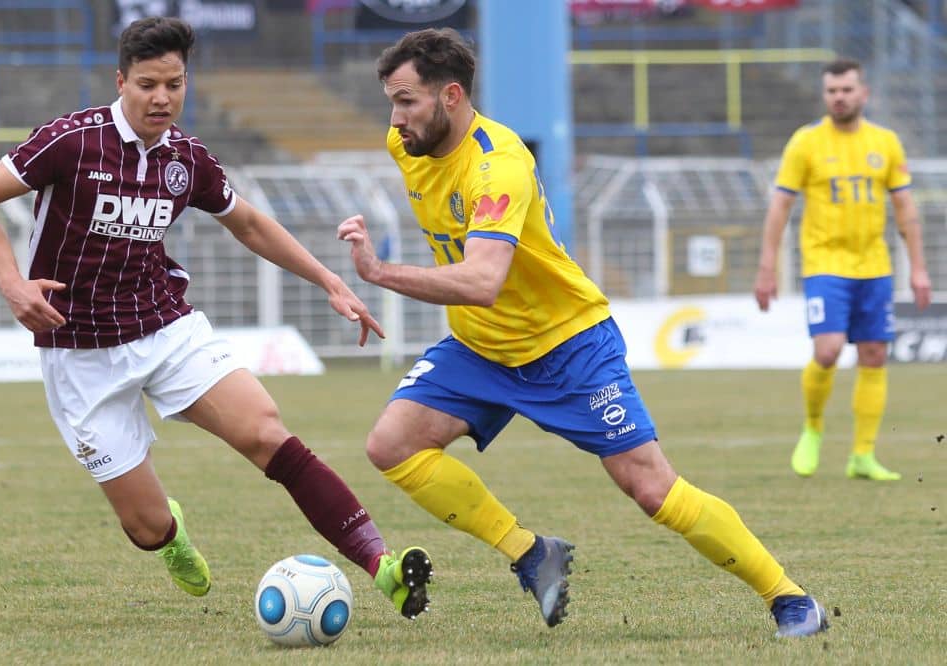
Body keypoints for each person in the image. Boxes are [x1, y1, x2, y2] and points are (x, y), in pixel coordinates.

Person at [336, 27, 827, 637]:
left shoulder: (500, 166)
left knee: (650, 488)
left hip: (567, 344)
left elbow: (485, 278)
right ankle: (531, 553)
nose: (395, 117)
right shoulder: (405, 142)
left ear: (452, 96)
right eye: (391, 100)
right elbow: (482, 294)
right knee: (391, 445)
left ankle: (790, 598)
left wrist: (379, 272)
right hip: (482, 345)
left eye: (406, 100)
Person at [0, 16, 433, 620]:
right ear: (121, 81)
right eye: (148, 84)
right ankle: (170, 535)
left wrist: (327, 278)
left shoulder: (187, 157)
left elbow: (250, 224)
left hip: (164, 327)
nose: (162, 98)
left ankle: (383, 566)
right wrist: (11, 283)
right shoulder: (71, 140)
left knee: (267, 432)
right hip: (79, 353)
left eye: (175, 85)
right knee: (145, 525)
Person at [754, 58, 931, 482]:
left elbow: (905, 207)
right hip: (825, 263)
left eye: (847, 90)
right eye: (832, 91)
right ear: (824, 95)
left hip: (874, 265)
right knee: (829, 350)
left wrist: (919, 268)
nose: (839, 97)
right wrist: (767, 267)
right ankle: (813, 428)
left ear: (863, 93)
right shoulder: (806, 142)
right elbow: (780, 205)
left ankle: (862, 455)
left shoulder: (885, 142)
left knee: (874, 355)